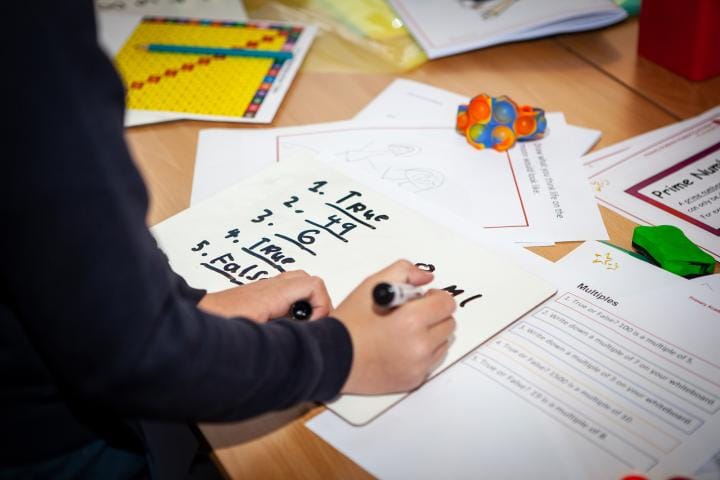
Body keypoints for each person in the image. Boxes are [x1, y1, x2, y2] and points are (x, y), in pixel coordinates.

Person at [3, 1, 456, 477]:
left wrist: (181, 306)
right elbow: (136, 360)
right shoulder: (30, 38)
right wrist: (344, 354)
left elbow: (48, 247)